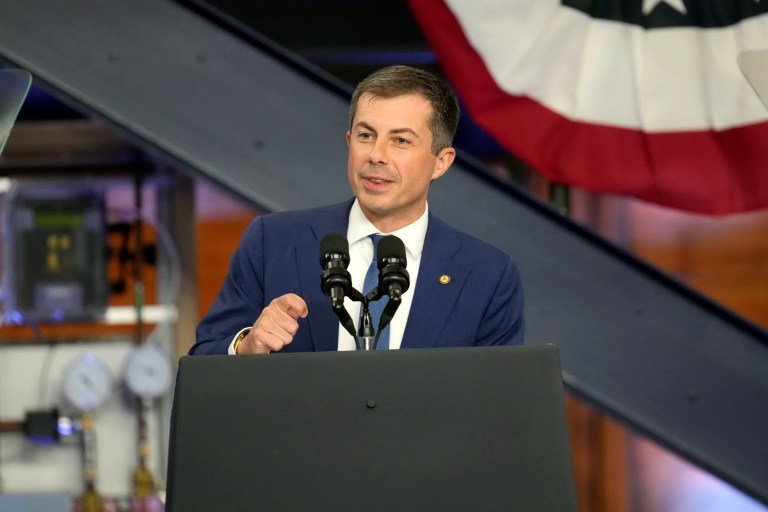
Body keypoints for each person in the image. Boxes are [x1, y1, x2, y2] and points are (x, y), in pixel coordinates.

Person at [190, 65, 524, 355]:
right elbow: (203, 360)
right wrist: (246, 345)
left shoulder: (487, 274)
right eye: (366, 135)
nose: (376, 155)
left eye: (401, 141)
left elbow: (502, 405)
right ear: (350, 142)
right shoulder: (271, 242)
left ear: (441, 162)